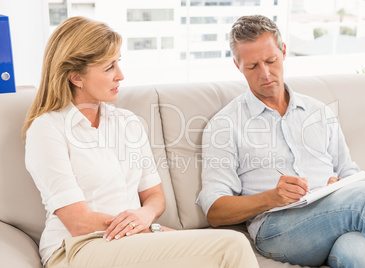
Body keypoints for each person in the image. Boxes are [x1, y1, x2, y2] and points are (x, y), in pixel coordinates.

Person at [23, 16, 258, 268]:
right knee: (232, 245)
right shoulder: (47, 129)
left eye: (118, 63)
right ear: (76, 78)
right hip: (78, 248)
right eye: (109, 67)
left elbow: (155, 196)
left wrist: (145, 216)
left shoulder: (128, 123)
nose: (120, 76)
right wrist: (147, 229)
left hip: (130, 242)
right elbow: (78, 221)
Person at [197, 15, 365, 268]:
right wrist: (271, 197)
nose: (265, 73)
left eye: (271, 61)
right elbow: (215, 212)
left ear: (283, 52)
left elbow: (349, 171)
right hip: (277, 230)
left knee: (358, 253)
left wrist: (341, 185)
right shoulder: (225, 124)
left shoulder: (319, 112)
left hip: (332, 217)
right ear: (238, 66)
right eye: (252, 66)